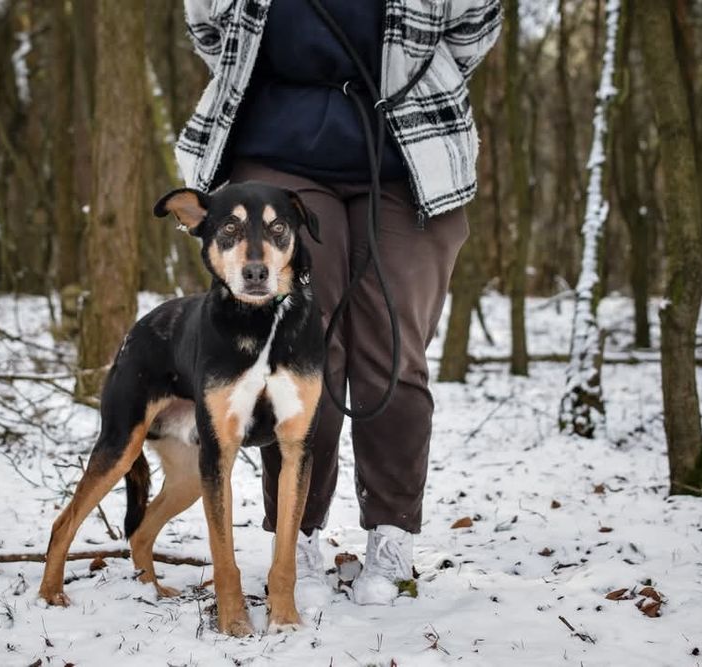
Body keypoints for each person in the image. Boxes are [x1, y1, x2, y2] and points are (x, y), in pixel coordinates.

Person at [178, 0, 502, 605]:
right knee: (303, 349)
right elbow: (210, 26)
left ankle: (392, 536)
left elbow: (474, 27)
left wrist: (413, 80)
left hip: (410, 160)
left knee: (395, 350)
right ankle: (294, 535)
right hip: (279, 156)